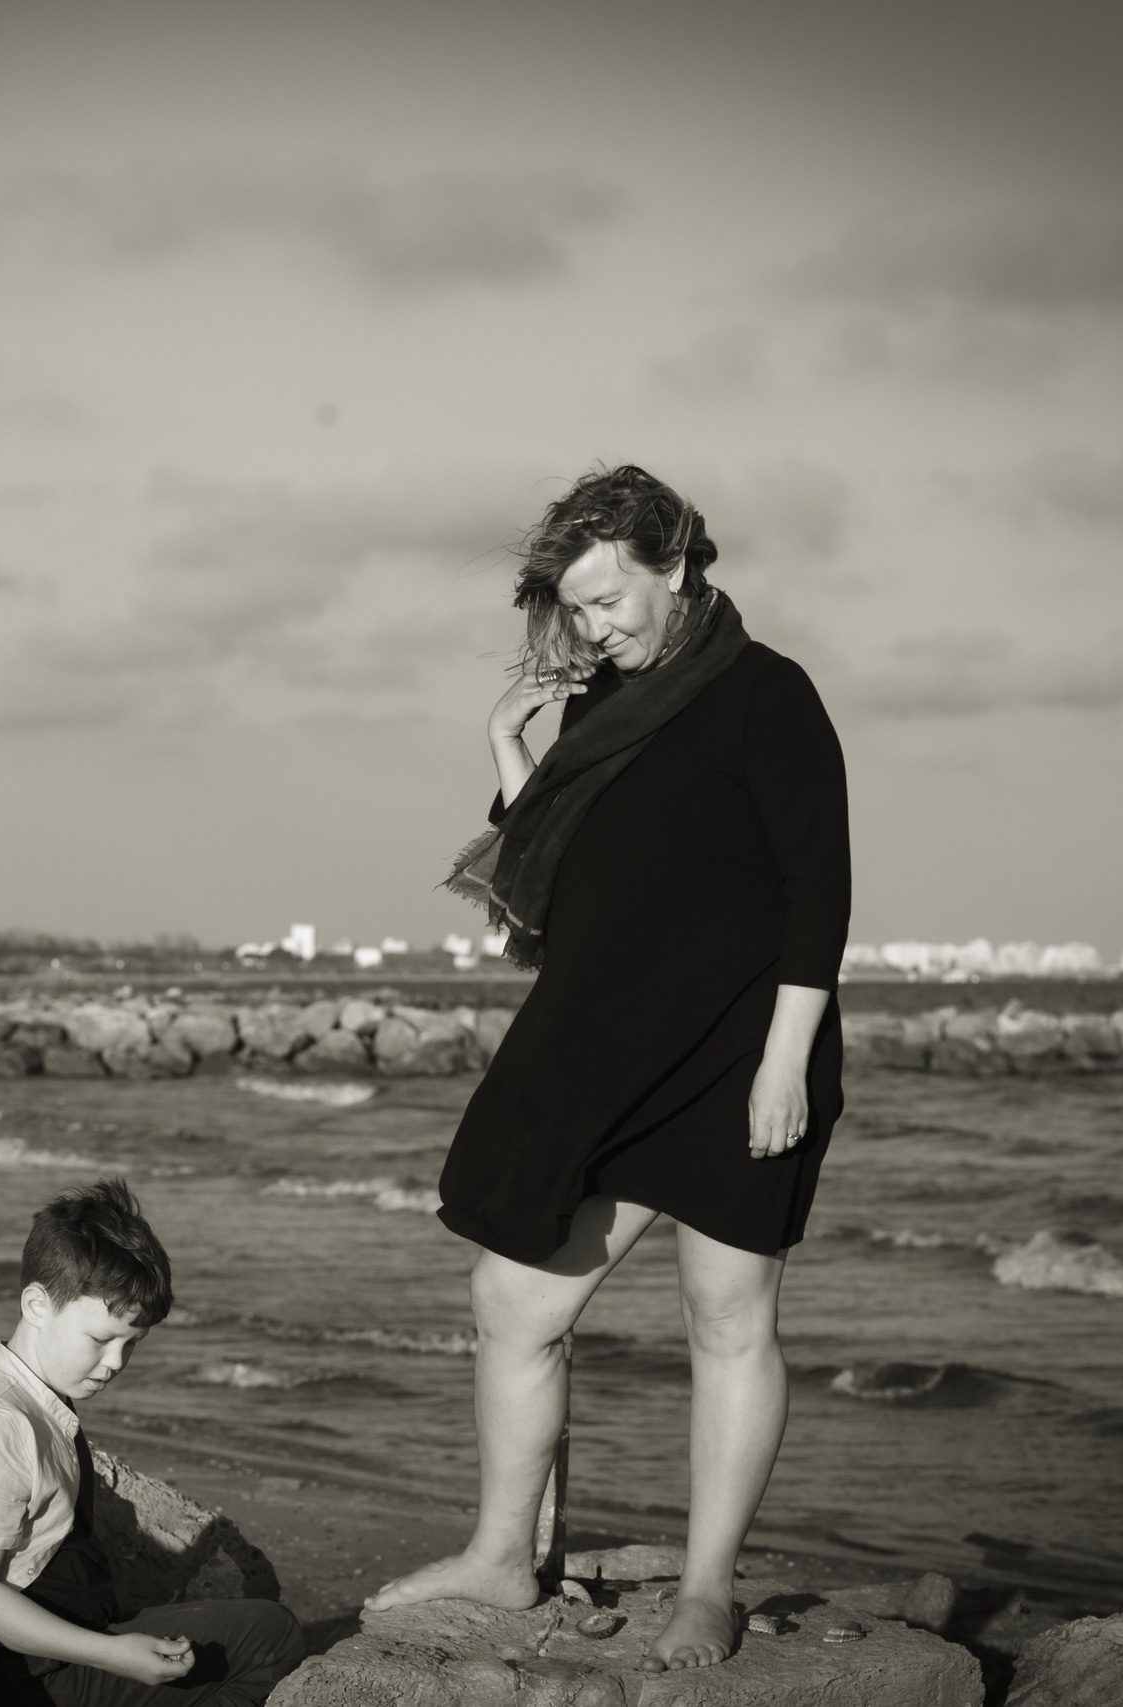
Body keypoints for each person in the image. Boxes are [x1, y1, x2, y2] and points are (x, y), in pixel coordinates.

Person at [368, 465, 851, 1673]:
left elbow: (818, 888)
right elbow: (557, 867)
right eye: (575, 609)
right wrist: (504, 737)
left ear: (674, 566)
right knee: (512, 1300)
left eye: (607, 600)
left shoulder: (767, 694)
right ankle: (501, 1557)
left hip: (740, 1048)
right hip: (606, 1045)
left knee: (727, 1319)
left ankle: (705, 1589)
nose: (594, 628)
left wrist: (784, 1062)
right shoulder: (598, 706)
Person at [0, 1179, 305, 1705]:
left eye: (132, 1344)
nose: (116, 1362)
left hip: (57, 1641)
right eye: (101, 1339)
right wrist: (111, 1654)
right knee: (272, 1636)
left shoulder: (32, 1391)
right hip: (28, 1671)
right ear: (37, 1304)